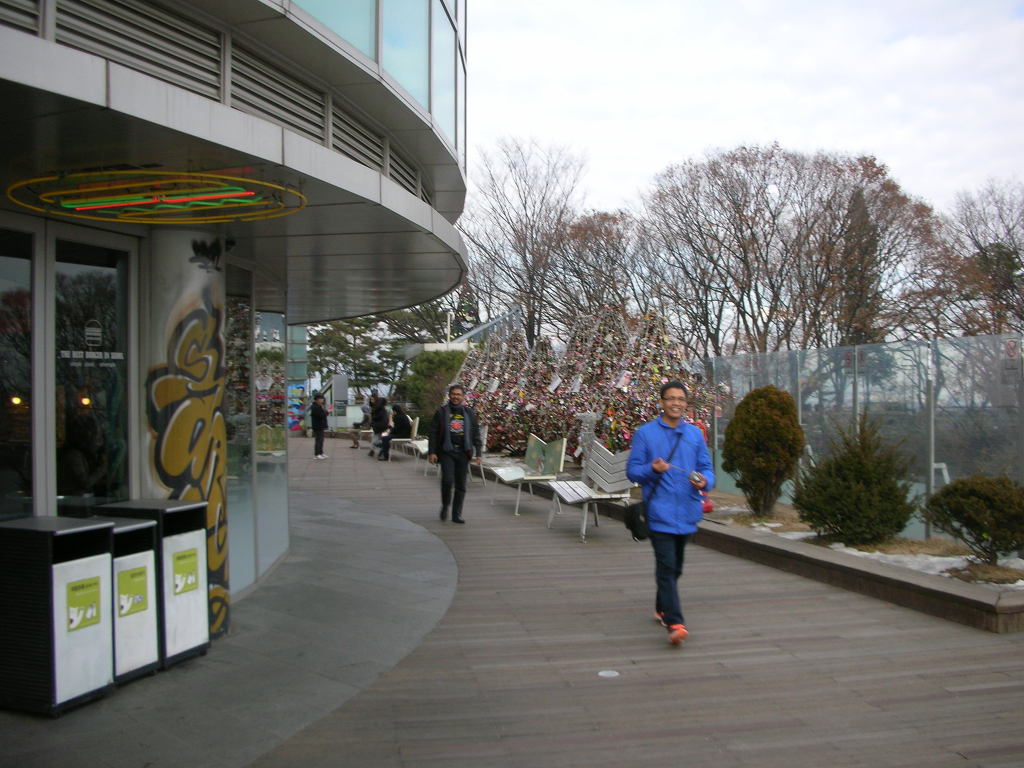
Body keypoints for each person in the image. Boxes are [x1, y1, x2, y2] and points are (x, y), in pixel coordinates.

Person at [626, 380, 714, 645]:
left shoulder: (694, 434)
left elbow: (706, 468)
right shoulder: (645, 434)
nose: (676, 403)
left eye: (681, 399)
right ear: (662, 402)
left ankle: (662, 606)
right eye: (671, 398)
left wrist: (705, 481)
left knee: (675, 568)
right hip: (658, 512)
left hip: (687, 511)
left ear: (686, 404)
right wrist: (652, 469)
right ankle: (675, 622)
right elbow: (633, 471)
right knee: (667, 566)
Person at [428, 385, 482, 524]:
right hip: (447, 451)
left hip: (463, 452)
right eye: (453, 394)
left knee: (461, 485)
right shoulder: (441, 412)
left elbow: (476, 433)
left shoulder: (469, 413)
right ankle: (445, 505)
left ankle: (456, 513)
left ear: (463, 396)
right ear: (449, 395)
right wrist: (432, 452)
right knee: (447, 480)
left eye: (458, 394)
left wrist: (478, 452)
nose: (455, 397)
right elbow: (433, 433)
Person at [309, 393, 328, 460]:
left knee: (321, 440)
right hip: (317, 426)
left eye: (322, 398)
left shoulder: (320, 406)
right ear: (317, 399)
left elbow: (323, 414)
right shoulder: (315, 407)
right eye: (321, 399)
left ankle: (321, 453)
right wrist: (327, 412)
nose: (322, 400)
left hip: (321, 425)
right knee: (318, 440)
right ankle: (317, 454)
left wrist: (326, 412)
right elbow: (320, 415)